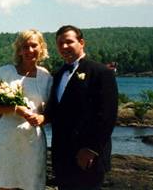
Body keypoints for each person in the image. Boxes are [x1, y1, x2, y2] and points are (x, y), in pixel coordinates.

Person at [42, 25, 118, 189]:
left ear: (81, 42)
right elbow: (55, 110)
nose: (64, 47)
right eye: (60, 43)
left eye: (69, 42)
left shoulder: (101, 72)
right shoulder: (58, 74)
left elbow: (107, 116)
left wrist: (91, 149)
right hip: (62, 156)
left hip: (88, 158)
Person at [0, 29, 53, 190]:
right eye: (25, 46)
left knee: (31, 184)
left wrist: (43, 118)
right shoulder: (4, 72)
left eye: (34, 45)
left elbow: (51, 111)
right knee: (5, 184)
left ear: (41, 47)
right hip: (7, 137)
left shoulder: (47, 77)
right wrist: (16, 109)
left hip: (33, 140)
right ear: (19, 49)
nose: (30, 50)